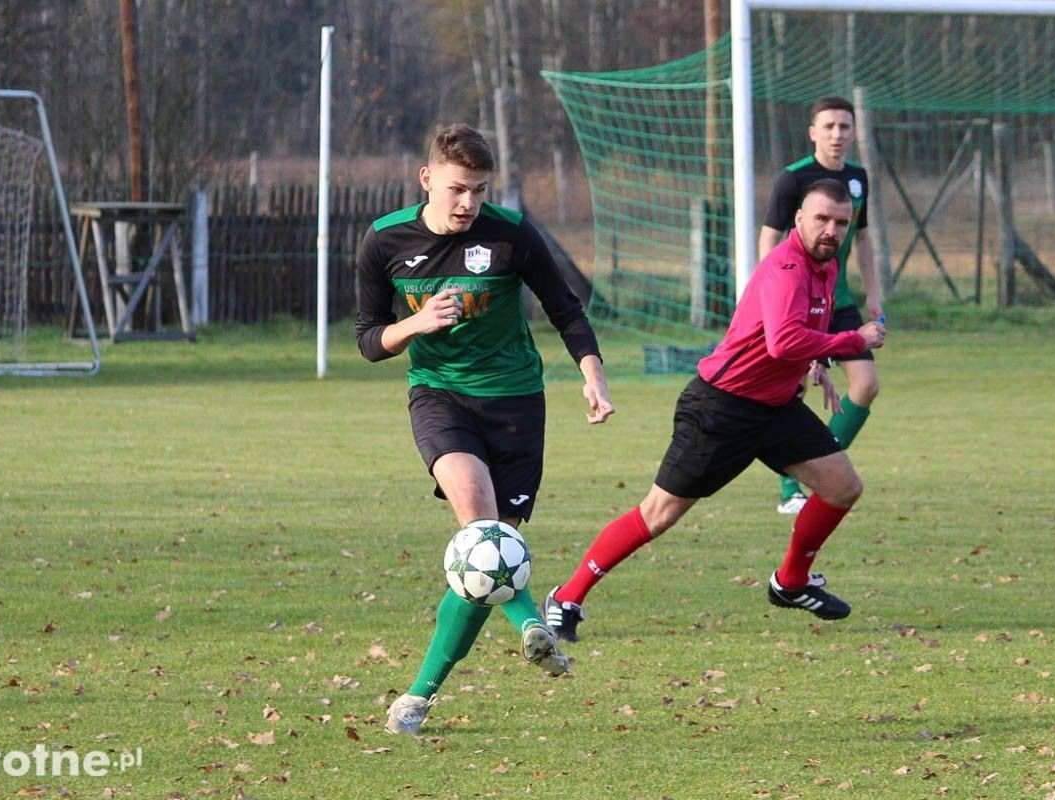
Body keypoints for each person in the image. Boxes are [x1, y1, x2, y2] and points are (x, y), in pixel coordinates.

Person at [541, 179, 884, 642]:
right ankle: (566, 598)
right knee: (659, 513)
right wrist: (852, 341)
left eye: (841, 223)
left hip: (775, 407)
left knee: (843, 486)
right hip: (723, 407)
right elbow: (783, 342)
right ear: (798, 219)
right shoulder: (786, 266)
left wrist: (818, 364)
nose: (831, 230)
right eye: (821, 219)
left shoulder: (824, 265)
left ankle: (791, 582)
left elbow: (799, 332)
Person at [355, 124, 615, 735]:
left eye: (478, 190)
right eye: (457, 189)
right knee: (481, 533)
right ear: (427, 179)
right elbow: (368, 339)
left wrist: (593, 376)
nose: (468, 202)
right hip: (440, 396)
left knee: (487, 562)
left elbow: (565, 308)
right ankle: (531, 624)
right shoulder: (385, 240)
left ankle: (417, 697)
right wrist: (416, 324)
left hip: (517, 402)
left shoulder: (511, 233)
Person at [758, 96, 884, 515]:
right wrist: (773, 293)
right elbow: (769, 236)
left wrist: (873, 292)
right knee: (793, 389)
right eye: (828, 126)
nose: (836, 134)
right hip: (801, 298)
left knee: (866, 384)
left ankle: (822, 470)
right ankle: (789, 489)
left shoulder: (858, 178)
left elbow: (862, 238)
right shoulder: (794, 178)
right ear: (813, 132)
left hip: (839, 299)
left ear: (853, 132)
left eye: (844, 126)